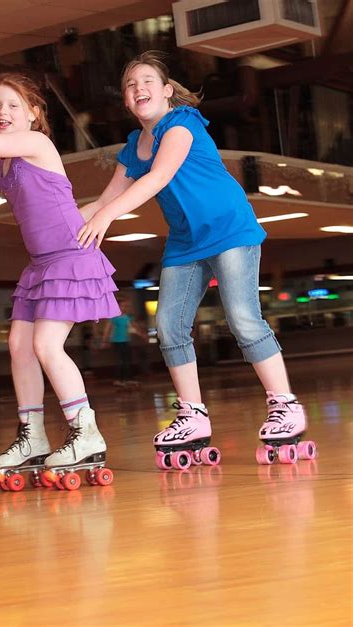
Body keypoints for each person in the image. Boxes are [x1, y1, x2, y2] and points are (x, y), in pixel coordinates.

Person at [77, 51, 310, 462]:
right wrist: (67, 225)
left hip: (229, 230)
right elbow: (106, 198)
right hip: (185, 242)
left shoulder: (181, 124)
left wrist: (108, 217)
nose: (138, 88)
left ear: (167, 91)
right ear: (128, 103)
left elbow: (159, 177)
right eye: (131, 85)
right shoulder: (135, 144)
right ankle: (193, 414)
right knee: (168, 325)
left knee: (242, 317)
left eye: (147, 80)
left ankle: (285, 405)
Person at [0, 73, 120, 474]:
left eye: (14, 105)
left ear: (34, 114)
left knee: (48, 345)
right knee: (20, 344)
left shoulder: (36, 143)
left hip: (70, 256)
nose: (3, 112)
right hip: (41, 265)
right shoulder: (7, 155)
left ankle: (85, 431)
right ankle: (32, 435)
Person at [101, 299, 145, 387]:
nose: (124, 308)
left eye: (126, 306)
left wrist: (142, 335)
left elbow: (132, 328)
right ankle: (118, 380)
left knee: (127, 361)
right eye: (123, 306)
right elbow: (107, 329)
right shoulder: (113, 317)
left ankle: (127, 379)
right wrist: (104, 341)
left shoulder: (127, 317)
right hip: (117, 342)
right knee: (120, 361)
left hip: (126, 341)